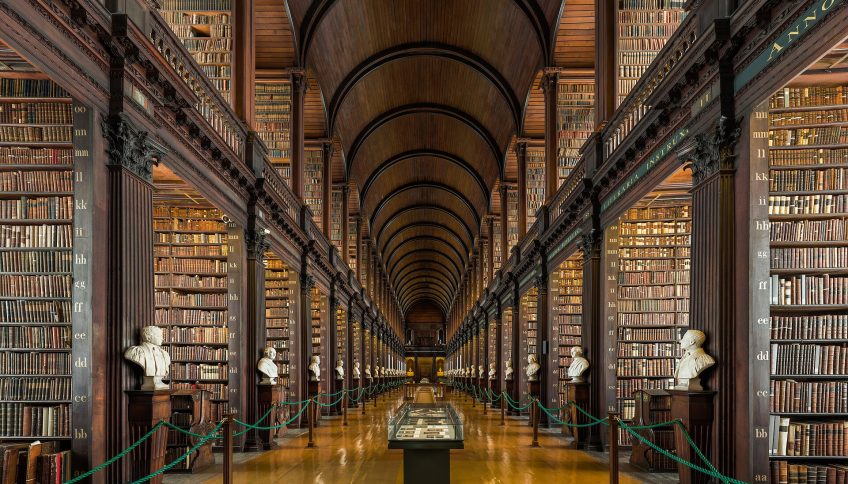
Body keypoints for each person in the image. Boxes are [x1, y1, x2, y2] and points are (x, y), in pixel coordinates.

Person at [124, 326, 171, 390]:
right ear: (148, 337)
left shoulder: (165, 354)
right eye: (159, 336)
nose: (162, 339)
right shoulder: (135, 351)